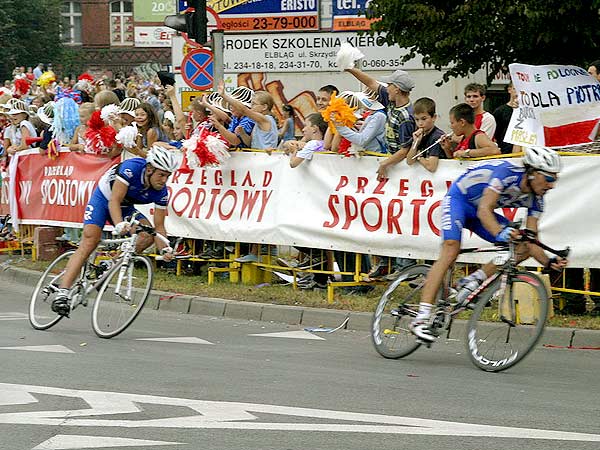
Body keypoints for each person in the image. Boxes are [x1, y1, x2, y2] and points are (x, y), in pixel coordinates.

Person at [409, 147, 568, 342]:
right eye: (550, 179)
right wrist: (500, 233)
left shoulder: (537, 199)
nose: (552, 185)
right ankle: (421, 316)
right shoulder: (507, 174)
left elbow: (532, 238)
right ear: (534, 173)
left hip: (480, 213)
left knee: (523, 246)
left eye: (555, 179)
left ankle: (474, 279)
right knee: (451, 249)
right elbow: (485, 209)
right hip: (460, 200)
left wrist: (549, 261)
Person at [51, 146, 179, 316]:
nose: (164, 180)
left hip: (126, 207)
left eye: (167, 176)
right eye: (161, 175)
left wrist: (164, 248)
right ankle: (63, 292)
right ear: (149, 169)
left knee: (147, 234)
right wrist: (119, 224)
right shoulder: (131, 168)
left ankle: (109, 265)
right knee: (91, 241)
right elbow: (114, 201)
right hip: (104, 199)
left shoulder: (161, 191)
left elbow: (159, 226)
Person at [345, 68, 416, 180]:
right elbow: (371, 83)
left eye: (389, 85)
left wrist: (385, 164)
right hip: (390, 159)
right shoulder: (392, 101)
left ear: (397, 89)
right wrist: (350, 69)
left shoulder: (406, 117)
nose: (386, 89)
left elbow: (404, 150)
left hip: (400, 166)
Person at [406, 97, 448, 172]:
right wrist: (415, 142)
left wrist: (419, 157)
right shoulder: (418, 135)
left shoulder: (437, 136)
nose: (420, 123)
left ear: (434, 117)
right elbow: (409, 161)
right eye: (417, 119)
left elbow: (431, 167)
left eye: (424, 119)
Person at [493, 81, 519, 154]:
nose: (518, 92)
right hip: (505, 150)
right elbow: (495, 133)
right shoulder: (500, 111)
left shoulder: (529, 111)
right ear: (509, 89)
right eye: (515, 88)